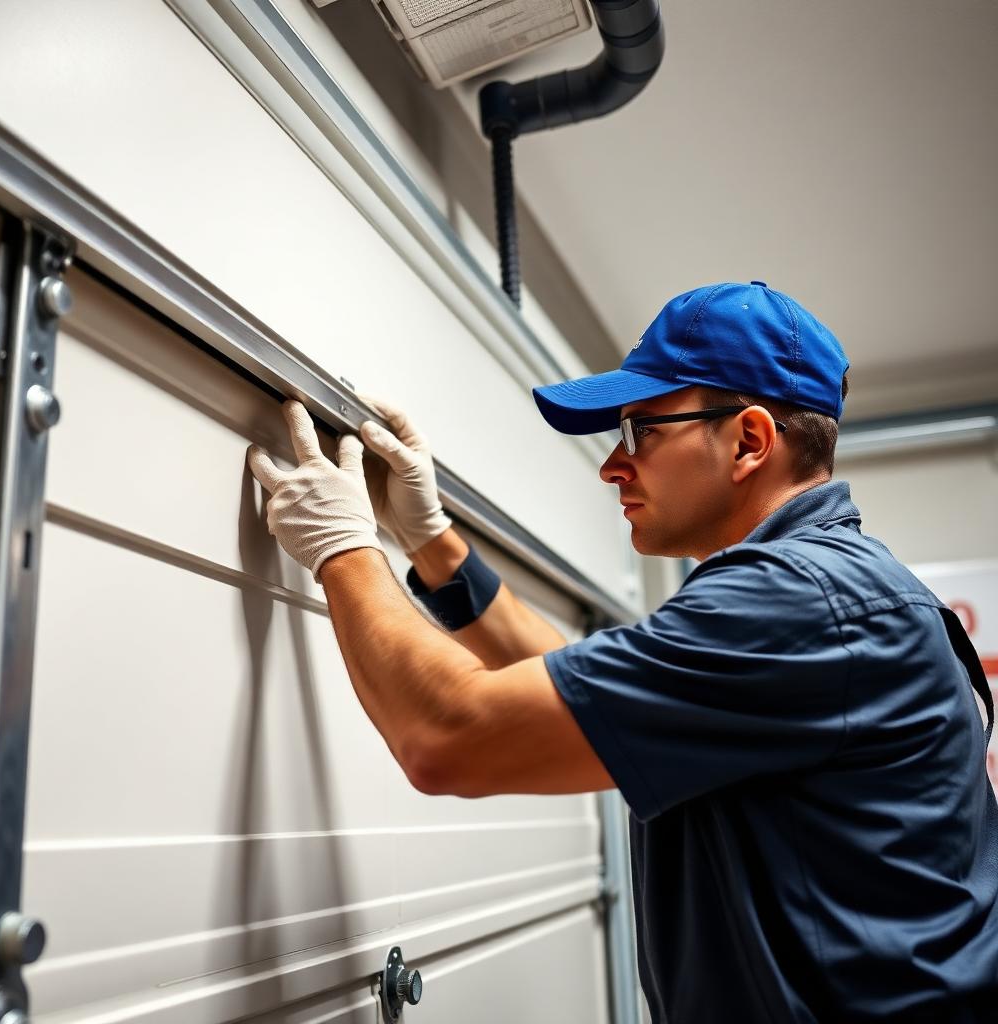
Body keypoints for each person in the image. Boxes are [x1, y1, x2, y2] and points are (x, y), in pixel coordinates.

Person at [247, 281, 998, 1023]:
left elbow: (451, 736)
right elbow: (595, 698)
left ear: (749, 441)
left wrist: (344, 548)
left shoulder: (800, 602)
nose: (612, 464)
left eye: (641, 430)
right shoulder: (835, 590)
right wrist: (430, 543)